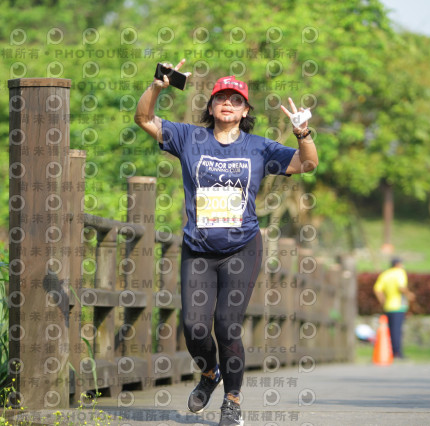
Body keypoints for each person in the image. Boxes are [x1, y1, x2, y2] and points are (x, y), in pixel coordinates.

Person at [134, 59, 318, 426]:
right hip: (198, 249)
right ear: (211, 106)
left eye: (236, 100)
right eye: (221, 97)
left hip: (241, 248)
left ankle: (232, 400)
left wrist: (302, 133)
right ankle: (208, 374)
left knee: (227, 325)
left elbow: (307, 164)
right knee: (195, 328)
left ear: (246, 110)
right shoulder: (189, 137)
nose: (228, 104)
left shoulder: (259, 147)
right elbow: (144, 119)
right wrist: (157, 87)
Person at [373, 257, 415, 358]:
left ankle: (390, 351)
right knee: (397, 330)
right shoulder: (399, 273)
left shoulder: (385, 274)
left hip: (388, 306)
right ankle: (397, 353)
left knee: (391, 330)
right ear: (398, 264)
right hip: (398, 306)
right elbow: (401, 287)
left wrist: (383, 301)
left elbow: (377, 290)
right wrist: (409, 294)